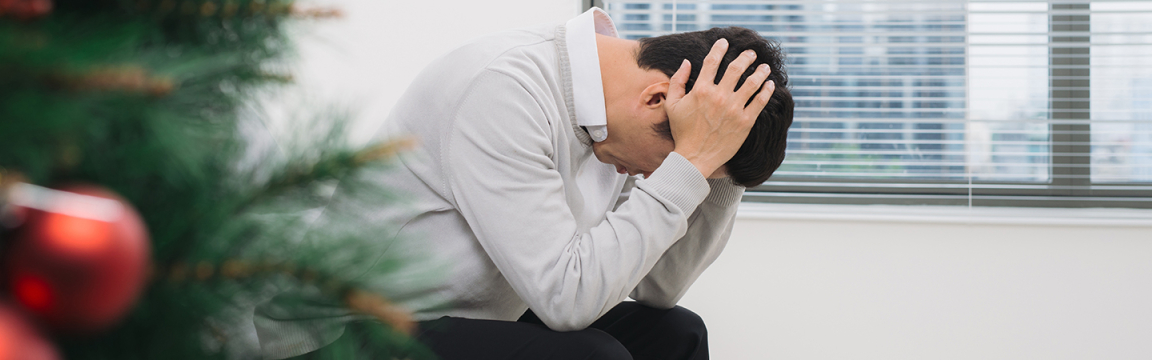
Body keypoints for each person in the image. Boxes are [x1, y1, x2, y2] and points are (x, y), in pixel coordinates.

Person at [260, 7, 793, 360]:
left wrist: (720, 165)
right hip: (343, 333)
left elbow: (658, 289)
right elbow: (567, 300)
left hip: (469, 312)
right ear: (657, 99)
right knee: (593, 357)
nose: (662, 177)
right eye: (674, 160)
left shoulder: (618, 118)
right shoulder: (505, 87)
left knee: (677, 334)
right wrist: (692, 162)